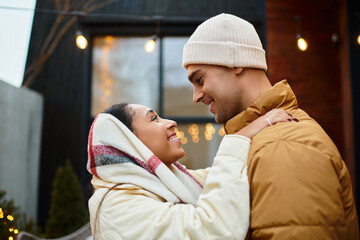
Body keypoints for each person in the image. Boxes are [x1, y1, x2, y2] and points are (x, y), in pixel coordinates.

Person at [182, 13, 359, 239]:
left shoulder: (281, 144)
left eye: (200, 80)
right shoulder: (261, 141)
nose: (196, 96)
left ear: (235, 62)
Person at [87, 103, 293, 239]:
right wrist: (240, 138)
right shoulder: (118, 207)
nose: (171, 123)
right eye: (154, 119)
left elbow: (220, 178)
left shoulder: (165, 182)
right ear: (128, 143)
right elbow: (211, 231)